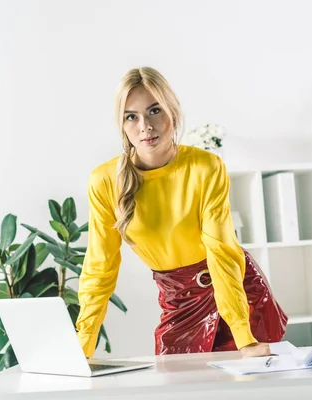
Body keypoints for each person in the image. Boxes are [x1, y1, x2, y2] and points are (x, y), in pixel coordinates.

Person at [76, 66, 275, 359]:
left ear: (173, 111)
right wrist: (83, 344)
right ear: (121, 124)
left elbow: (221, 251)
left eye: (154, 110)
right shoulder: (105, 180)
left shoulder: (206, 167)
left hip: (235, 292)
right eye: (131, 116)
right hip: (177, 299)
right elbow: (100, 265)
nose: (145, 126)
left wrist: (243, 336)